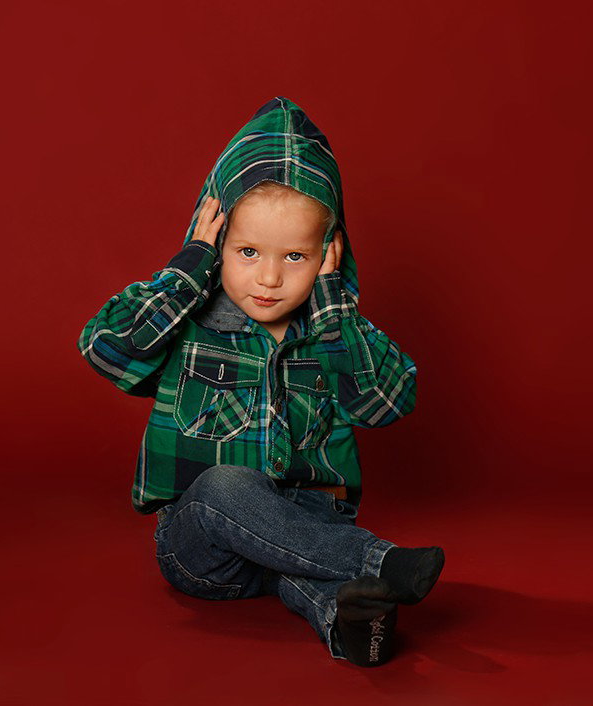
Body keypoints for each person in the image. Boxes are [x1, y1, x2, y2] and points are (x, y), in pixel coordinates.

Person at [76, 96, 444, 666]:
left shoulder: (334, 334)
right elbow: (106, 349)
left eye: (294, 256)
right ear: (218, 240)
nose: (269, 278)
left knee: (295, 563)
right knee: (228, 484)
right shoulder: (190, 325)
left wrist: (332, 313)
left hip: (303, 532)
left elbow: (388, 402)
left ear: (328, 254)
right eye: (247, 252)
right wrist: (189, 266)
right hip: (203, 545)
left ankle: (350, 627)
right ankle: (377, 561)